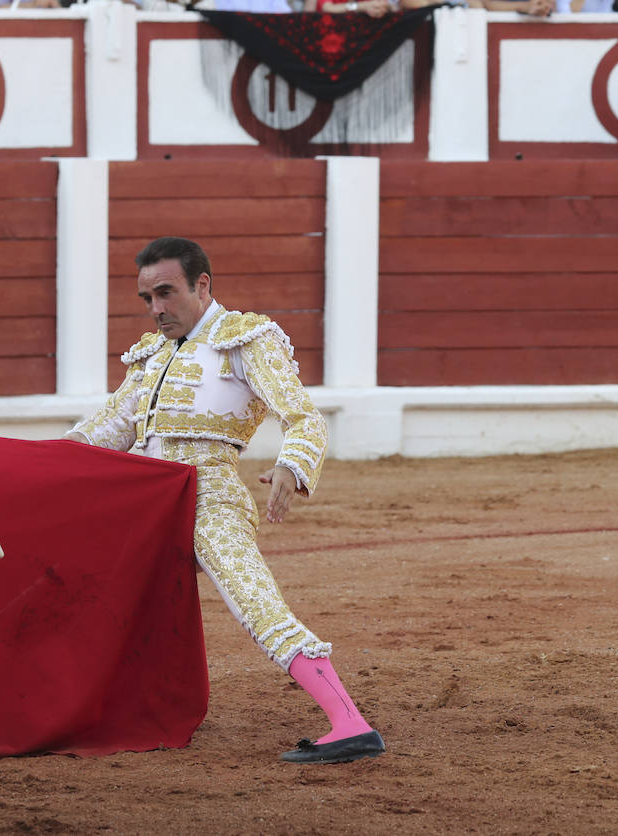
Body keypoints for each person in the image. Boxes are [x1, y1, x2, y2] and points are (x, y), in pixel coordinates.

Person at [66, 237, 385, 766]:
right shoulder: (150, 356)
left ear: (202, 285)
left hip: (208, 494)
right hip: (144, 506)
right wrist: (11, 455)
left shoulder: (245, 340)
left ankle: (350, 723)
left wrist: (291, 463)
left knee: (256, 603)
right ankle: (109, 713)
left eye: (166, 293)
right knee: (95, 600)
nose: (156, 309)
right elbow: (99, 433)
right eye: (147, 298)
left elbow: (303, 416)